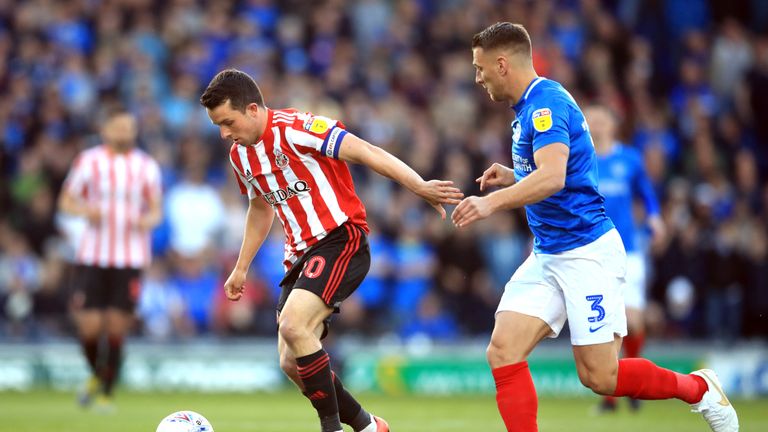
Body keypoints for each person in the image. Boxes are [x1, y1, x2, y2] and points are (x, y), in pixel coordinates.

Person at [451, 22, 738, 432]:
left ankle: (699, 389)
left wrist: (489, 203)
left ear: (502, 63)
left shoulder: (545, 106)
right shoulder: (526, 110)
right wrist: (514, 175)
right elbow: (558, 173)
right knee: (502, 350)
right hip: (548, 253)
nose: (477, 78)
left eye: (480, 68)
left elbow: (553, 177)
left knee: (600, 377)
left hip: (587, 253)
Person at [200, 68, 463, 432]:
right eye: (218, 126)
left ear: (253, 109)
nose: (225, 133)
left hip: (341, 237)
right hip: (299, 257)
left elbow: (366, 151)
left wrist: (419, 186)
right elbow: (260, 209)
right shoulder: (240, 157)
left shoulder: (298, 128)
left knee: (293, 325)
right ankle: (370, 427)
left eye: (228, 121)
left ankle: (331, 428)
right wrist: (241, 267)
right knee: (291, 362)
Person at [58, 107, 163, 410]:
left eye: (128, 128)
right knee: (90, 327)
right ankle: (96, 374)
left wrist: (148, 221)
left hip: (129, 258)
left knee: (117, 326)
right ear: (106, 130)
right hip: (93, 255)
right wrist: (84, 211)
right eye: (118, 127)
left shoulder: (146, 166)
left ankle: (106, 391)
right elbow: (66, 200)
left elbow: (156, 209)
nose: (124, 133)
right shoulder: (89, 161)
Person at [585, 104, 666, 412]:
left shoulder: (629, 159)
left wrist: (655, 218)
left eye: (601, 119)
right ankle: (609, 398)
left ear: (612, 125)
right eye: (591, 120)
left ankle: (631, 384)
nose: (597, 125)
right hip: (592, 251)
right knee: (605, 323)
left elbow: (646, 192)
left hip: (628, 250)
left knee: (632, 319)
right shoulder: (580, 158)